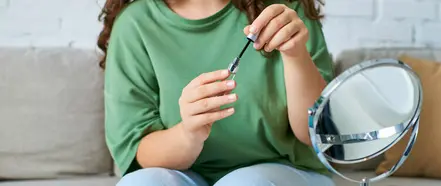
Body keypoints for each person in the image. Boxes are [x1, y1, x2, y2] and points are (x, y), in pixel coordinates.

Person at [97, 0, 336, 185]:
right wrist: (188, 133)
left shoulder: (284, 12)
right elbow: (139, 152)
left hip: (285, 172)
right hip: (183, 175)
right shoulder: (135, 24)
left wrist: (295, 55)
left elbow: (315, 133)